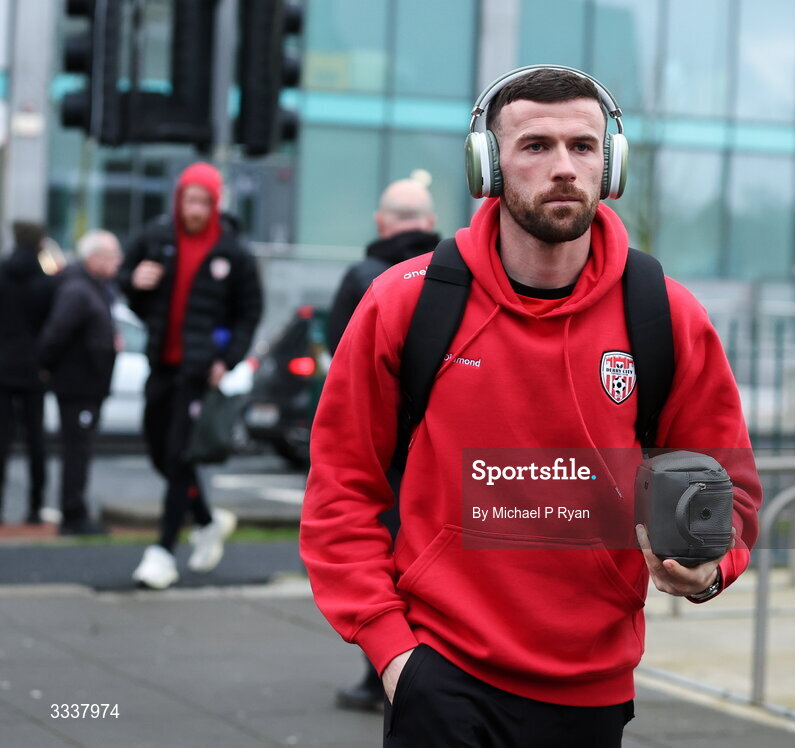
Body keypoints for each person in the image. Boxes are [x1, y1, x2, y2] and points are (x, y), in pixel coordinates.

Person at [301, 66, 761, 747]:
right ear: (487, 166)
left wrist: (704, 569)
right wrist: (394, 654)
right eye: (535, 146)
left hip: (593, 689)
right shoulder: (408, 303)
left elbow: (734, 495)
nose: (565, 167)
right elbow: (340, 493)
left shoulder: (665, 315)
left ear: (612, 165)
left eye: (583, 146)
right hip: (440, 677)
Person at [119, 162, 263, 589]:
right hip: (161, 362)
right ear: (178, 199)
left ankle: (162, 552)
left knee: (181, 455)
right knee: (159, 451)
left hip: (199, 372)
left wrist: (228, 359)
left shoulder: (233, 250)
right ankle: (206, 520)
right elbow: (126, 282)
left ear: (216, 204)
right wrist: (134, 282)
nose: (195, 209)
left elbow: (249, 312)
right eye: (188, 199)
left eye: (203, 201)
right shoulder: (156, 236)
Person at [328, 177, 440, 711]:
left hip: (387, 450)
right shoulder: (458, 277)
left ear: (381, 222)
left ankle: (385, 670)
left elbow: (342, 352)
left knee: (383, 555)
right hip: (444, 451)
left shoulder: (365, 278)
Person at [37, 230, 123, 536]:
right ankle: (73, 515)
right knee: (77, 451)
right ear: (94, 258)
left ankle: (76, 512)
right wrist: (46, 366)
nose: (119, 262)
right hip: (78, 386)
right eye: (112, 255)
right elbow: (56, 334)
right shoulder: (78, 290)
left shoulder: (94, 288)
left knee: (80, 451)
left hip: (86, 385)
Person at [326, 177, 440, 355]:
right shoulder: (454, 272)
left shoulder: (359, 278)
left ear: (379, 222)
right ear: (431, 222)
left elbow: (340, 350)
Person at [0, 221, 57, 525]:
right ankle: (35, 508)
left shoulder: (3, 274)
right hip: (35, 368)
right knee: (36, 440)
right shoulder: (44, 280)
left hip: (3, 366)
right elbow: (52, 324)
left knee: (2, 440)